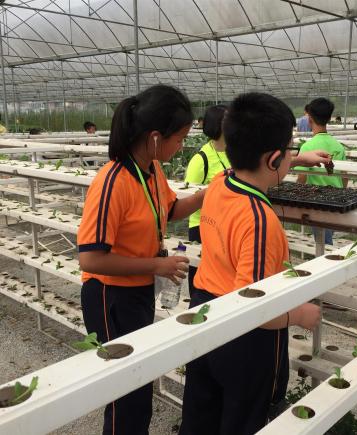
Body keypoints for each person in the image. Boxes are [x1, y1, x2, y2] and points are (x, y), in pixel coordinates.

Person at [179, 92, 328, 435]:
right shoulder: (259, 221)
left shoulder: (220, 184)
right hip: (243, 340)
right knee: (244, 419)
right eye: (290, 151)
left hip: (205, 314)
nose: (292, 157)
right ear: (274, 159)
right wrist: (298, 315)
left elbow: (254, 166)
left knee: (202, 412)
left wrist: (298, 158)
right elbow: (254, 310)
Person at [77, 85, 206, 435]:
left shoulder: (150, 170)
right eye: (179, 138)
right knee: (126, 393)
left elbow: (171, 209)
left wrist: (206, 195)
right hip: (109, 295)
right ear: (154, 137)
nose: (181, 146)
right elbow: (90, 258)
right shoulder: (113, 182)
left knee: (139, 382)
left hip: (135, 292)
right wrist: (156, 265)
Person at [184, 104, 230, 295]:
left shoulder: (235, 153)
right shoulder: (201, 159)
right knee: (201, 282)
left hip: (226, 226)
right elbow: (188, 197)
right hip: (202, 227)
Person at [295, 98, 347, 245]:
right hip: (335, 198)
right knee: (326, 235)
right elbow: (344, 176)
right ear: (329, 118)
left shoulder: (307, 147)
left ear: (310, 119)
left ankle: (325, 264)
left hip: (316, 200)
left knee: (322, 240)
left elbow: (302, 178)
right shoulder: (338, 146)